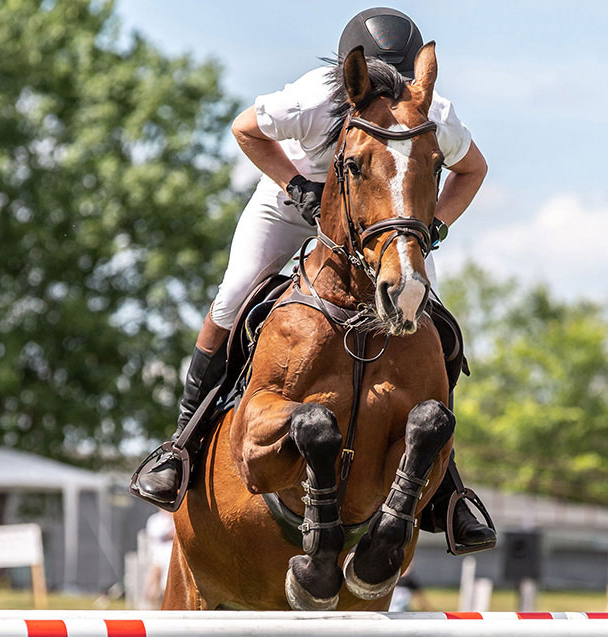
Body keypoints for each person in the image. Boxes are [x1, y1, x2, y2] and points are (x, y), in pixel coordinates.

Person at [132, 8, 494, 553]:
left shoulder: (433, 113)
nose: (393, 100)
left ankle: (444, 483)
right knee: (234, 295)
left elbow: (474, 170)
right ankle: (181, 443)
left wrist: (434, 224)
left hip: (384, 219)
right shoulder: (311, 99)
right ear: (356, 79)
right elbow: (244, 129)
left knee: (432, 322)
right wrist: (297, 183)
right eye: (381, 87)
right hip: (294, 199)